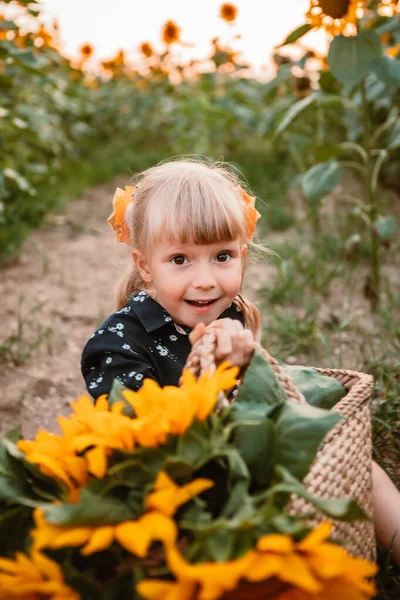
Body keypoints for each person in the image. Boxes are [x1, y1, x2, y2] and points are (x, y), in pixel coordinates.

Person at [81, 157, 400, 567]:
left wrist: (249, 370)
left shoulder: (229, 312)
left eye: (222, 256)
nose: (205, 280)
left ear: (242, 254)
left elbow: (260, 403)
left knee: (351, 455)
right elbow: (143, 441)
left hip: (242, 456)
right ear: (145, 266)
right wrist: (213, 381)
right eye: (180, 260)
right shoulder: (116, 345)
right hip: (173, 490)